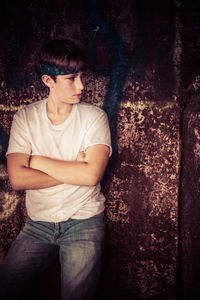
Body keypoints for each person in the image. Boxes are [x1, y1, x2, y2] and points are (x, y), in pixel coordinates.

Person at [0, 39, 112, 300]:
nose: (81, 85)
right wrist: (74, 167)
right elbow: (17, 178)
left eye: (82, 76)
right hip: (37, 225)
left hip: (84, 222)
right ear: (48, 80)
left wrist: (36, 160)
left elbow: (90, 175)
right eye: (71, 78)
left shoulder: (94, 117)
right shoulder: (25, 118)